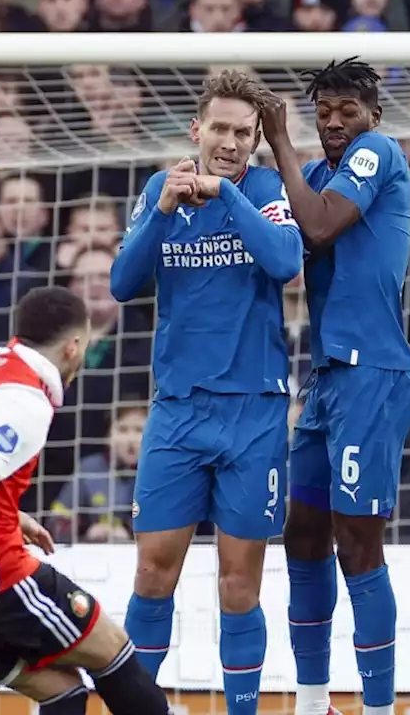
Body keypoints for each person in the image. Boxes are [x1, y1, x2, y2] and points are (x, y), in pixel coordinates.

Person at [109, 70, 304, 714]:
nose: (229, 141)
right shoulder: (158, 190)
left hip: (255, 410)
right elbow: (121, 283)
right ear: (197, 129)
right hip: (179, 410)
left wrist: (228, 196)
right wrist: (163, 209)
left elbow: (284, 261)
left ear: (254, 140)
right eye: (218, 128)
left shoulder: (267, 188)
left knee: (239, 583)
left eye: (242, 133)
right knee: (153, 572)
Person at [0, 286, 170, 715]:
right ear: (74, 346)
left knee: (61, 689)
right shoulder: (24, 397)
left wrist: (8, 510)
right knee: (112, 651)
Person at [259, 57, 410, 715]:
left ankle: (380, 706)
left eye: (346, 111)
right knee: (303, 532)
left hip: (375, 372)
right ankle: (311, 699)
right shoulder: (318, 177)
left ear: (373, 116)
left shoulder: (376, 153)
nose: (334, 122)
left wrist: (280, 143)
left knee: (357, 539)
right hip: (329, 374)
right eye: (322, 112)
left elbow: (321, 226)